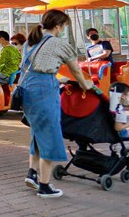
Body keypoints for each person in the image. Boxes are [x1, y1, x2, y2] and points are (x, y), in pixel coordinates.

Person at [20, 10, 98, 199]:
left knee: (38, 132)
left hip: (26, 90)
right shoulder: (58, 43)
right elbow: (77, 71)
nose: (63, 29)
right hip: (44, 91)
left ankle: (32, 173)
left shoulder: (29, 42)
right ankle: (45, 186)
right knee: (50, 134)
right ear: (58, 25)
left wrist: (58, 78)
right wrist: (86, 85)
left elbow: (36, 67)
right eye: (64, 26)